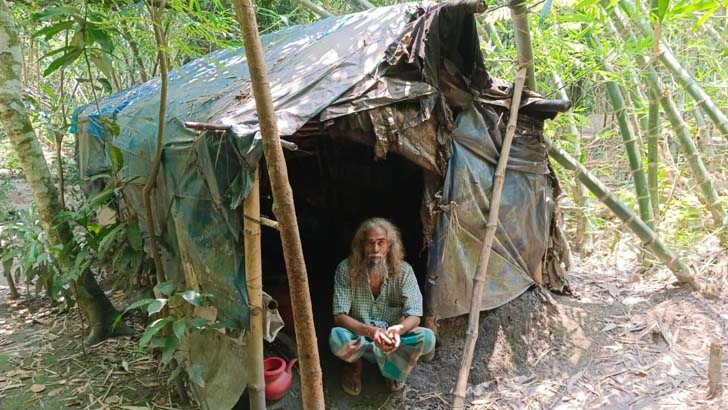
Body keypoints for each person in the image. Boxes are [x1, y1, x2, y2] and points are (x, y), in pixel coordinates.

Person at [329, 217, 435, 395]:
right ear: (361, 246)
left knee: (428, 338)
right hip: (361, 337)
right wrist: (371, 332)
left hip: (395, 341)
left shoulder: (404, 271)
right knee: (336, 338)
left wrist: (397, 331)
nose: (375, 249)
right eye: (370, 243)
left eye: (380, 243)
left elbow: (415, 314)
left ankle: (393, 367)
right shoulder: (346, 269)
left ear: (389, 246)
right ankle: (356, 365)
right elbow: (339, 316)